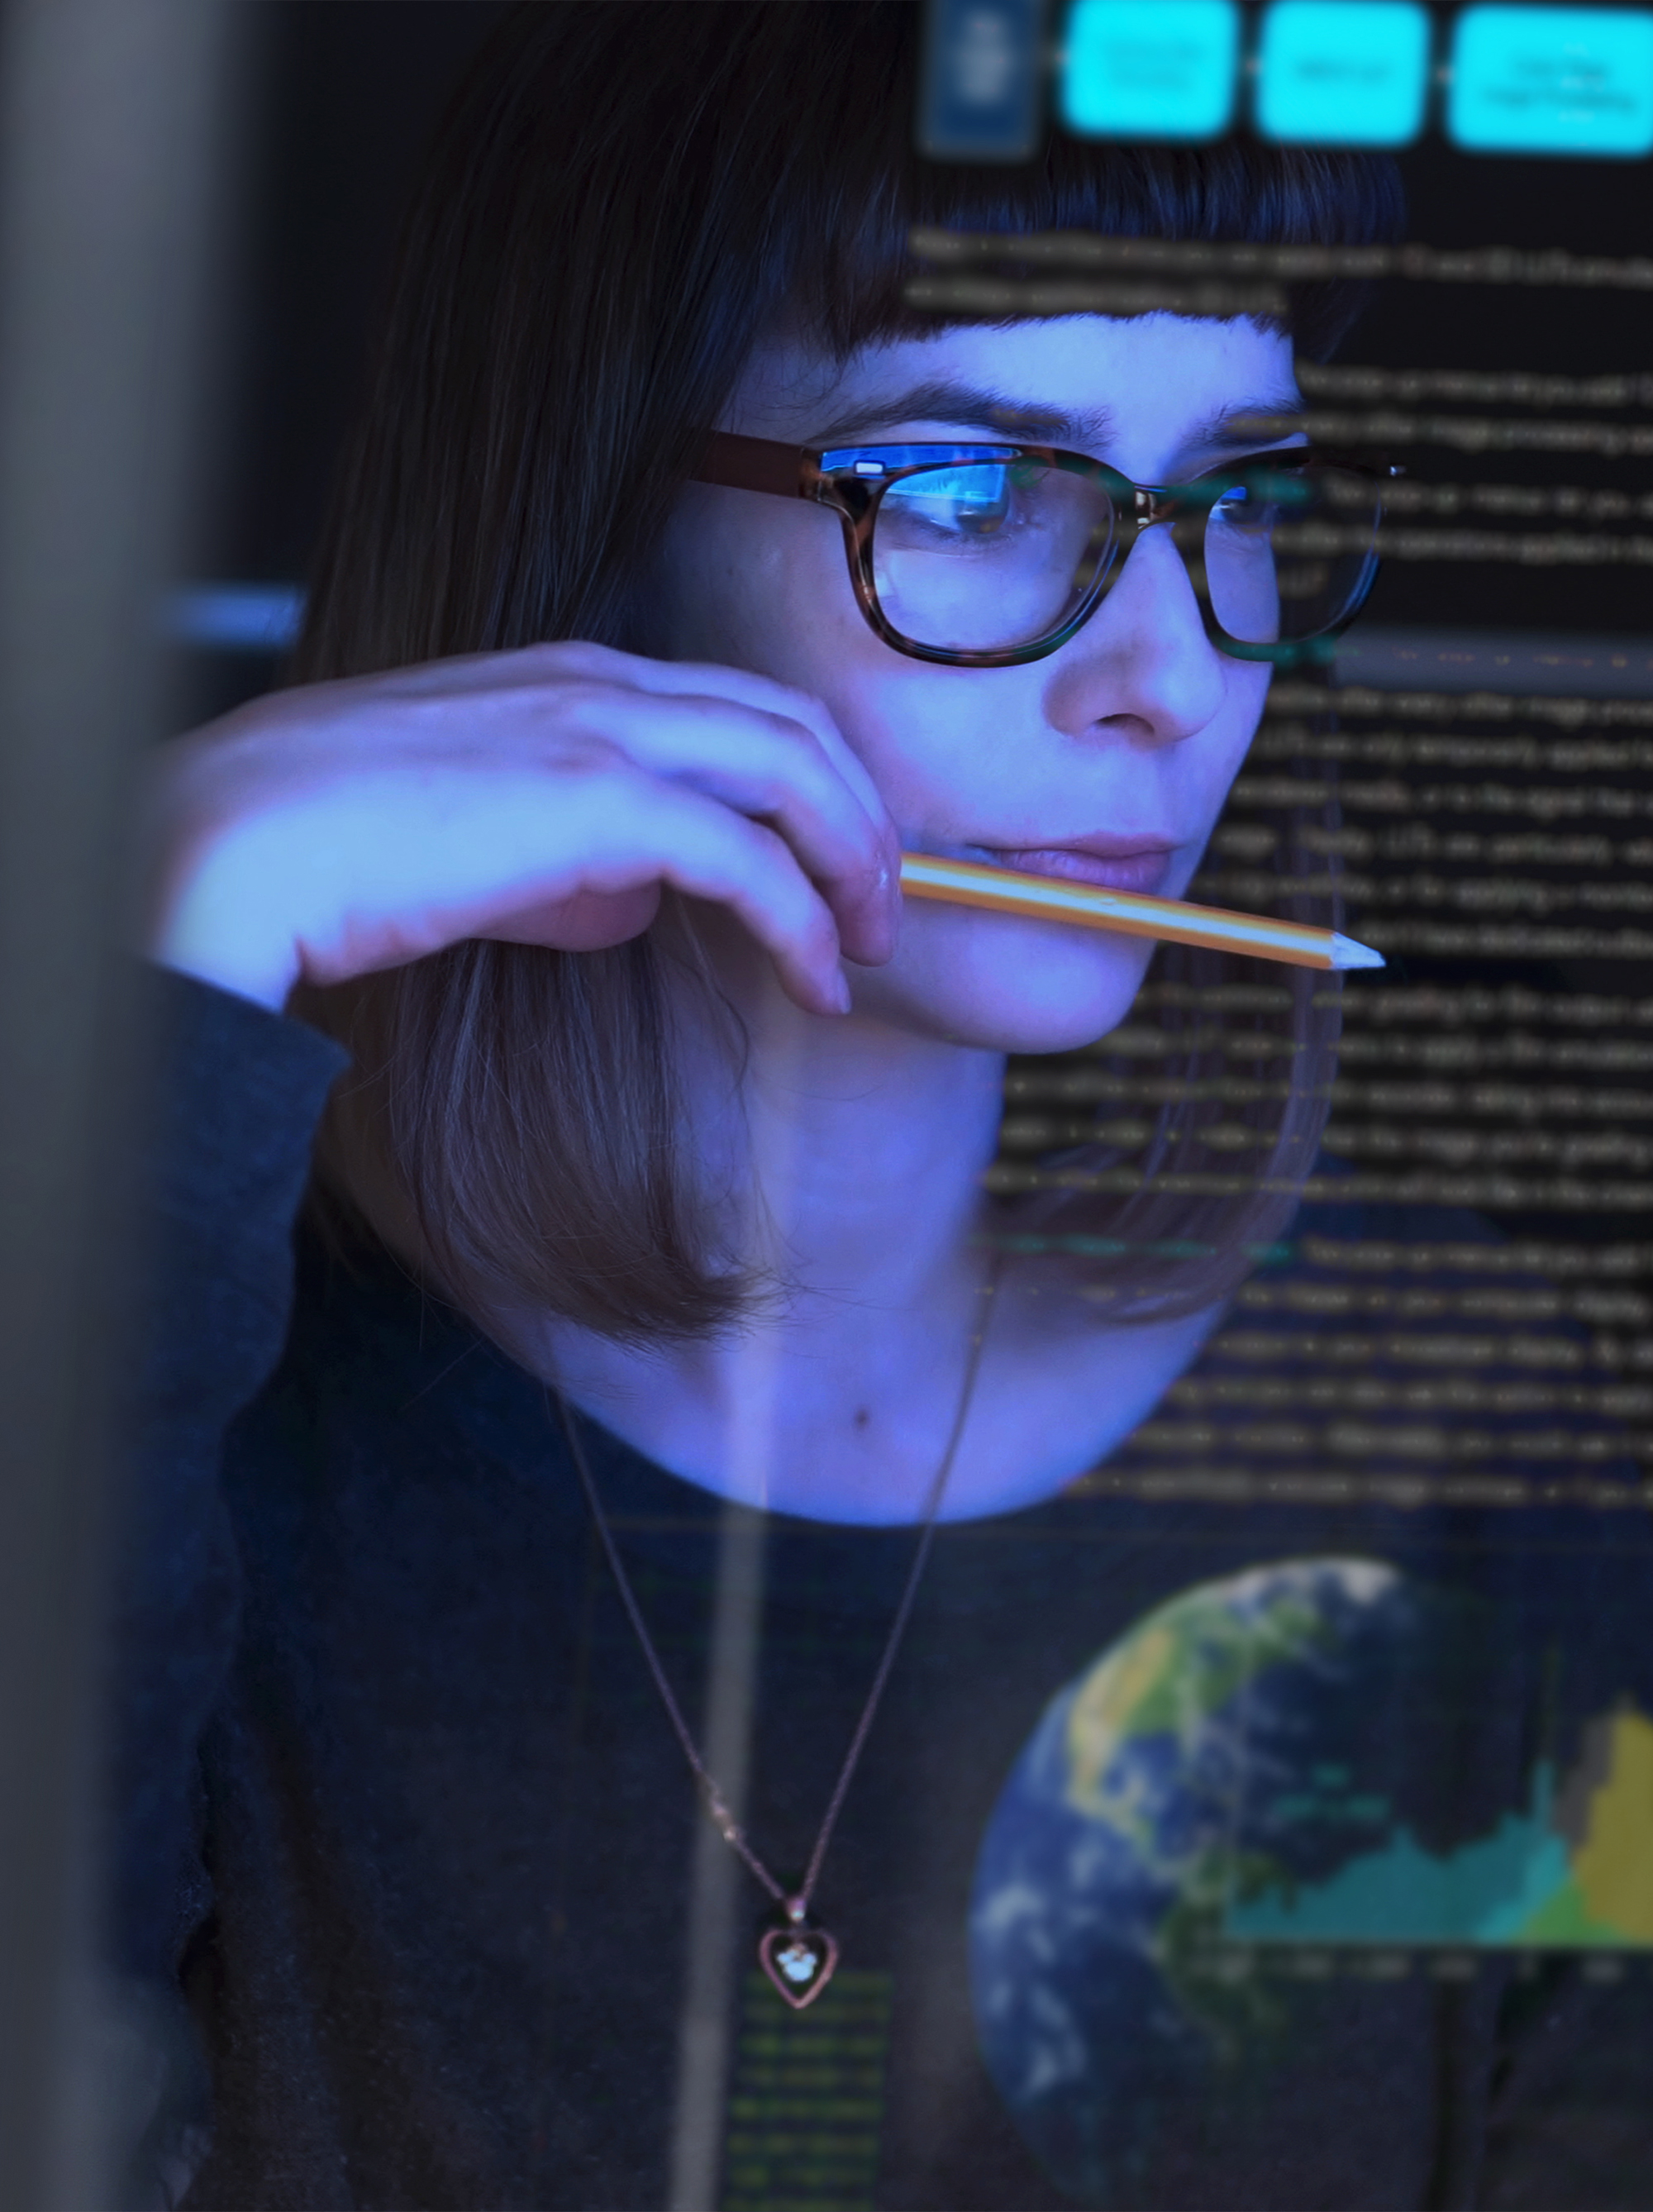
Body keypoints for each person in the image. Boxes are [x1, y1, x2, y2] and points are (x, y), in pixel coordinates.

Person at [120, 6, 1653, 2208]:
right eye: (964, 492)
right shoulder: (197, 1412)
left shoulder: (1456, 1429)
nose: (1170, 675)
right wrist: (169, 944)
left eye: (1239, 500)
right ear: (595, 513)